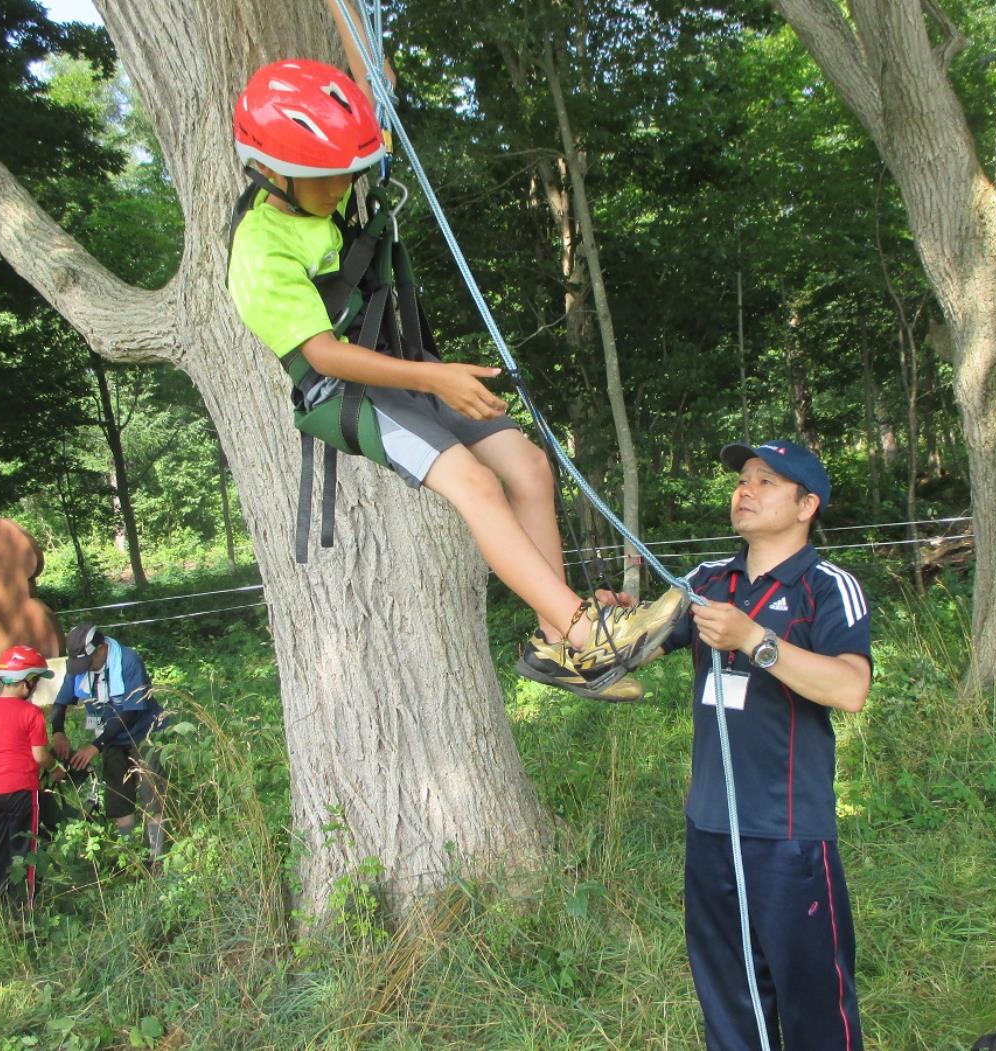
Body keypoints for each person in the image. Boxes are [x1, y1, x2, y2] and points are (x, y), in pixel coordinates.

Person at [225, 1, 686, 702]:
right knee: (472, 482)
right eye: (323, 179)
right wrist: (435, 376)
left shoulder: (330, 175)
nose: (343, 188)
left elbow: (373, 86)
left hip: (404, 370)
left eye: (348, 173)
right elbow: (321, 355)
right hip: (346, 393)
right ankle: (583, 631)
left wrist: (340, 7)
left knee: (528, 465)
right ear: (269, 170)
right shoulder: (257, 251)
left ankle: (556, 642)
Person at [637, 441, 872, 1051]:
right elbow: (631, 644)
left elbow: (850, 688)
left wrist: (755, 640)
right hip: (711, 825)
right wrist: (606, 624)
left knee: (814, 998)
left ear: (806, 505)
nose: (745, 490)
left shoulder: (828, 586)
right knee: (728, 999)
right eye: (743, 479)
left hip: (789, 830)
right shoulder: (707, 581)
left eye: (766, 481)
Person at [51, 623, 168, 860]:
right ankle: (133, 856)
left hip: (144, 733)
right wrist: (58, 731)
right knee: (117, 793)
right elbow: (61, 702)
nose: (82, 669)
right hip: (110, 736)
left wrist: (96, 746)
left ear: (102, 648)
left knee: (151, 792)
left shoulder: (128, 660)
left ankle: (155, 857)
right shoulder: (78, 665)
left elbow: (130, 712)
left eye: (87, 663)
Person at [0, 644, 55, 906]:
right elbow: (39, 756)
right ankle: (25, 906)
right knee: (25, 849)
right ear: (26, 682)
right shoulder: (31, 713)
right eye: (35, 682)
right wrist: (54, 768)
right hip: (21, 790)